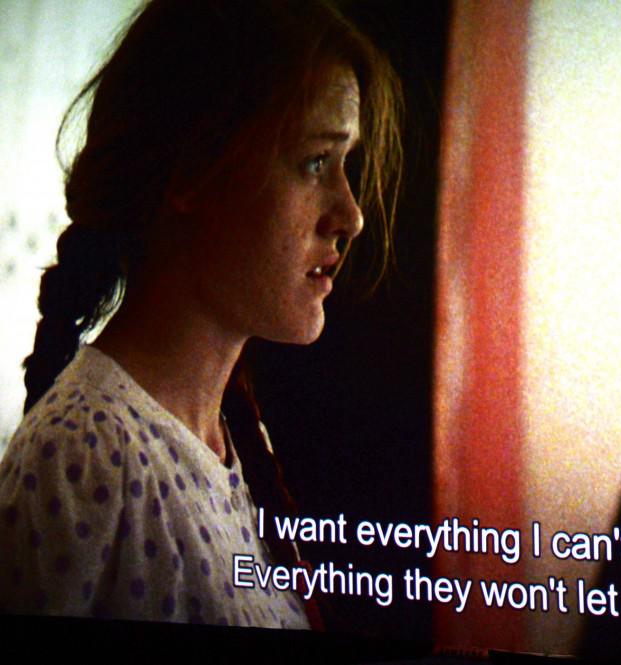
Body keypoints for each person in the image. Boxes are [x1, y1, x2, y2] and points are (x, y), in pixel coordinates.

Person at [0, 0, 401, 630]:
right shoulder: (83, 454)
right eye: (314, 163)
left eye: (343, 165)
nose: (350, 216)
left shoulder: (231, 435)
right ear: (191, 171)